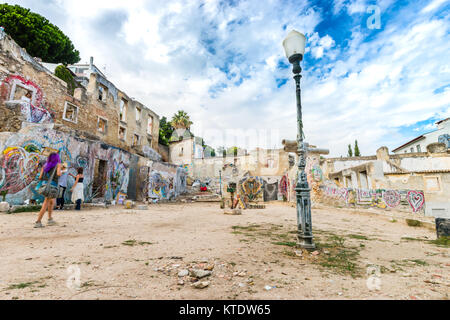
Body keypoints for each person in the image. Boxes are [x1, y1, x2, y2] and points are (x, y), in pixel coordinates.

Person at [35, 153, 62, 228]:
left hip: (44, 186)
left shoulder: (45, 165)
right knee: (46, 203)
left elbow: (40, 177)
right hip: (52, 186)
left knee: (51, 202)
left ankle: (50, 219)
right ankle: (38, 221)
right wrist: (61, 171)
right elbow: (59, 174)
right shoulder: (58, 165)